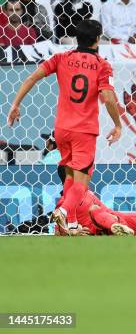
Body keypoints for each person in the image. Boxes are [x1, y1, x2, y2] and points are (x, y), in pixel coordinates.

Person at [7, 19, 122, 236]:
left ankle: (70, 224)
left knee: (69, 175)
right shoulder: (102, 65)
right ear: (98, 39)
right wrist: (118, 125)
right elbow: (107, 97)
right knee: (82, 181)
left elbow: (32, 77)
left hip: (61, 130)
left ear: (77, 38)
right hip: (84, 130)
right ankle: (64, 210)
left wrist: (15, 104)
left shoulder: (61, 58)